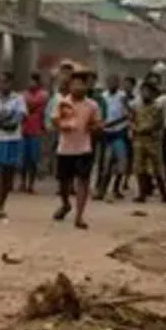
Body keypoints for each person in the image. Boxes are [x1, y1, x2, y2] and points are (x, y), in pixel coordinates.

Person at [52, 70, 102, 229]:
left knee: (83, 181)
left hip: (84, 148)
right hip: (65, 148)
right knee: (63, 182)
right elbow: (54, 121)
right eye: (75, 84)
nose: (79, 87)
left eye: (82, 84)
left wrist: (94, 127)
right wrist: (62, 125)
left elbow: (98, 124)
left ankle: (79, 216)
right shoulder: (62, 103)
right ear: (70, 86)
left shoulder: (92, 105)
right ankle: (66, 204)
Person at [0, 73, 26, 219]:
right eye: (2, 82)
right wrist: (6, 118)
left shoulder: (18, 99)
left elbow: (16, 122)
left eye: (7, 82)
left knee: (8, 173)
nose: (4, 85)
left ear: (11, 84)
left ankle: (1, 205)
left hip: (13, 140)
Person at [131, 81, 166, 203]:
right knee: (139, 168)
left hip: (153, 141)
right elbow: (132, 119)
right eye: (143, 91)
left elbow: (157, 124)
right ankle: (142, 193)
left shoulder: (157, 107)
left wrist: (143, 128)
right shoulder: (137, 106)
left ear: (154, 94)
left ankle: (164, 194)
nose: (145, 94)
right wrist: (134, 128)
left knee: (157, 168)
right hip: (139, 140)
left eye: (148, 91)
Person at [96, 74, 131, 201]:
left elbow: (128, 114)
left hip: (119, 131)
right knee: (106, 163)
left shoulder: (122, 97)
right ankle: (102, 190)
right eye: (110, 81)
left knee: (121, 162)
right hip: (106, 133)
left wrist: (114, 123)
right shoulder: (103, 97)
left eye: (114, 82)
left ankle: (115, 188)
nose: (112, 84)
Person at [21, 72, 49, 194]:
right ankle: (22, 182)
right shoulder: (24, 94)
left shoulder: (43, 94)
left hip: (36, 129)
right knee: (23, 158)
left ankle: (31, 184)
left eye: (33, 81)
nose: (30, 84)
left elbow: (38, 109)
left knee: (33, 158)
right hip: (24, 129)